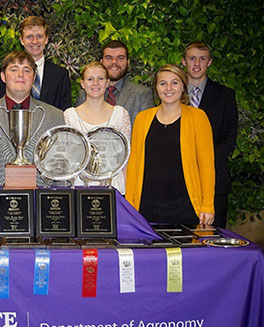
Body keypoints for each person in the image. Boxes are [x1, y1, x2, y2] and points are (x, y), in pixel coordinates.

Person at [126, 64, 215, 225]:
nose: (169, 88)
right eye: (162, 83)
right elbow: (134, 164)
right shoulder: (142, 118)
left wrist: (207, 205)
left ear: (183, 86)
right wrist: (131, 205)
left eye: (174, 82)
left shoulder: (198, 117)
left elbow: (207, 166)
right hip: (147, 205)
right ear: (156, 88)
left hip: (186, 205)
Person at [0, 51, 64, 186]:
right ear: (3, 76)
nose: (21, 75)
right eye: (14, 69)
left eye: (27, 70)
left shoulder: (54, 116)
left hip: (39, 201)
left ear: (34, 78)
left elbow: (61, 168)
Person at [182, 41, 238, 228]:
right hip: (179, 178)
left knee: (214, 238)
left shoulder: (226, 95)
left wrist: (204, 163)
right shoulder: (172, 94)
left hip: (215, 179)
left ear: (209, 62)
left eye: (202, 58)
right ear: (184, 62)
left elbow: (230, 139)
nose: (197, 63)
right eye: (192, 58)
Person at [64, 62, 131, 193]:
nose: (95, 83)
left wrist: (129, 191)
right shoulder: (69, 115)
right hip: (80, 186)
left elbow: (126, 159)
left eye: (100, 79)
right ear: (83, 84)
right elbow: (68, 158)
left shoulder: (121, 114)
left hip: (115, 187)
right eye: (90, 79)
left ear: (107, 83)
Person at [0, 16, 71, 111]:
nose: (35, 41)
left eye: (39, 36)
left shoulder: (60, 75)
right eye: (29, 37)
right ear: (22, 40)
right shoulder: (8, 72)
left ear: (46, 39)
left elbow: (64, 111)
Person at [75, 40, 153, 124]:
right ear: (101, 62)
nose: (114, 62)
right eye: (109, 58)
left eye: (120, 58)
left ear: (128, 62)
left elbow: (146, 131)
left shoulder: (142, 94)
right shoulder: (84, 94)